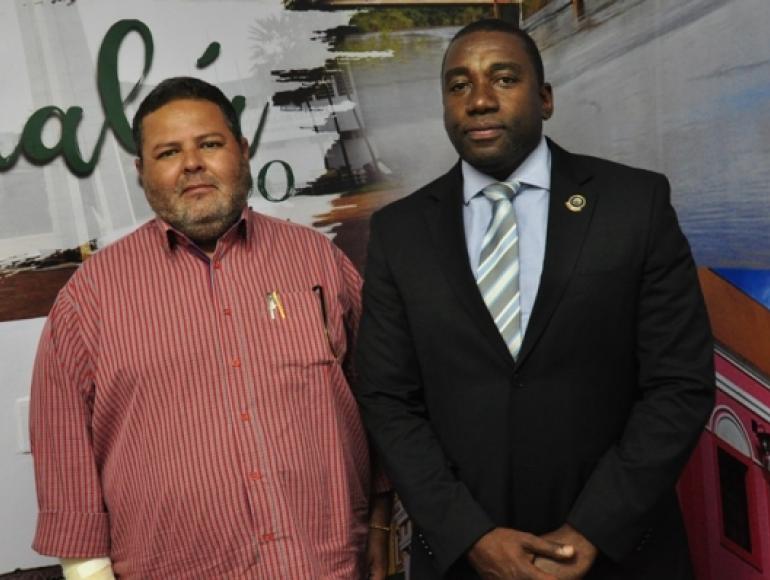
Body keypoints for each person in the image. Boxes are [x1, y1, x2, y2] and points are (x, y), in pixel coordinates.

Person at [354, 19, 714, 580]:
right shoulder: (399, 233)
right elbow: (387, 398)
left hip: (623, 556)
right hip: (465, 562)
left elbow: (679, 382)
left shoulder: (633, 204)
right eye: (458, 85)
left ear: (545, 99)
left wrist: (594, 528)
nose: (479, 100)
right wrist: (470, 535)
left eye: (503, 79)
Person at [29, 77, 390, 579]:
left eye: (210, 144)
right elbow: (63, 449)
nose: (192, 163)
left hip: (325, 565)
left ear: (243, 150)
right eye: (168, 152)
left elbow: (380, 397)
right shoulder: (90, 297)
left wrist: (382, 520)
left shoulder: (317, 260)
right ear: (141, 172)